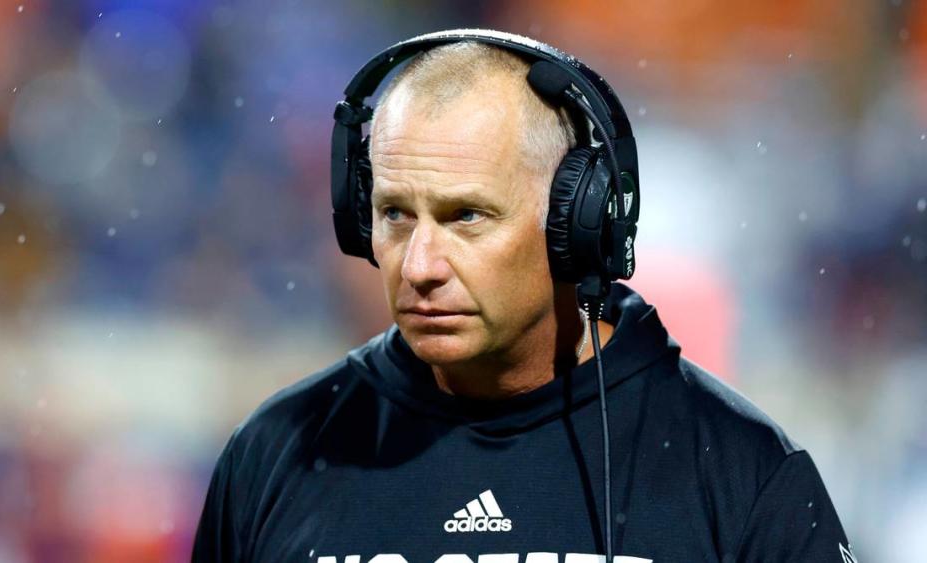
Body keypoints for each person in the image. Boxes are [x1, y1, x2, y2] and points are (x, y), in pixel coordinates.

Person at [192, 30, 855, 562]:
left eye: (467, 217)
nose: (420, 264)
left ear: (578, 224)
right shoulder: (276, 452)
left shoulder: (742, 472)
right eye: (395, 214)